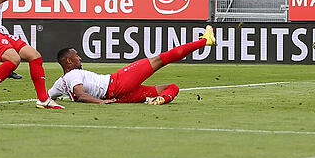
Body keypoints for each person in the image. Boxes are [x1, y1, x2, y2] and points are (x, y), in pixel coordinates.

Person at [48, 26, 216, 105]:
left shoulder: (60, 82)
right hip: (117, 83)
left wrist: (49, 99)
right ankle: (204, 41)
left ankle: (160, 99)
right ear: (68, 61)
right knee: (161, 59)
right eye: (75, 56)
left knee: (171, 87)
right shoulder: (73, 74)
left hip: (119, 97)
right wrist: (99, 102)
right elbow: (80, 93)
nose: (79, 58)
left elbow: (47, 96)